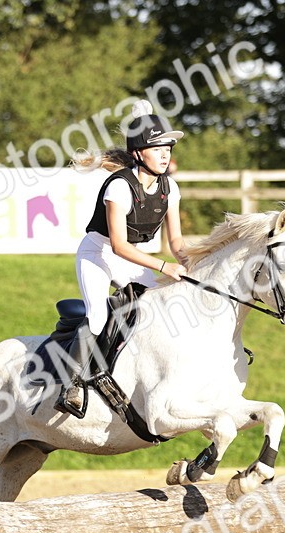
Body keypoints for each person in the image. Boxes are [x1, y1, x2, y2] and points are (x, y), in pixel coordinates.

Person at [54, 101, 189, 417]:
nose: (166, 153)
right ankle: (70, 386)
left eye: (168, 147)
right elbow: (117, 245)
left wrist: (191, 261)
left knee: (156, 310)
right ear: (140, 152)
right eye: (158, 148)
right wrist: (163, 266)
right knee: (98, 317)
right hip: (98, 252)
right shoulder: (119, 185)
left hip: (134, 258)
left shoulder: (171, 188)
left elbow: (177, 241)